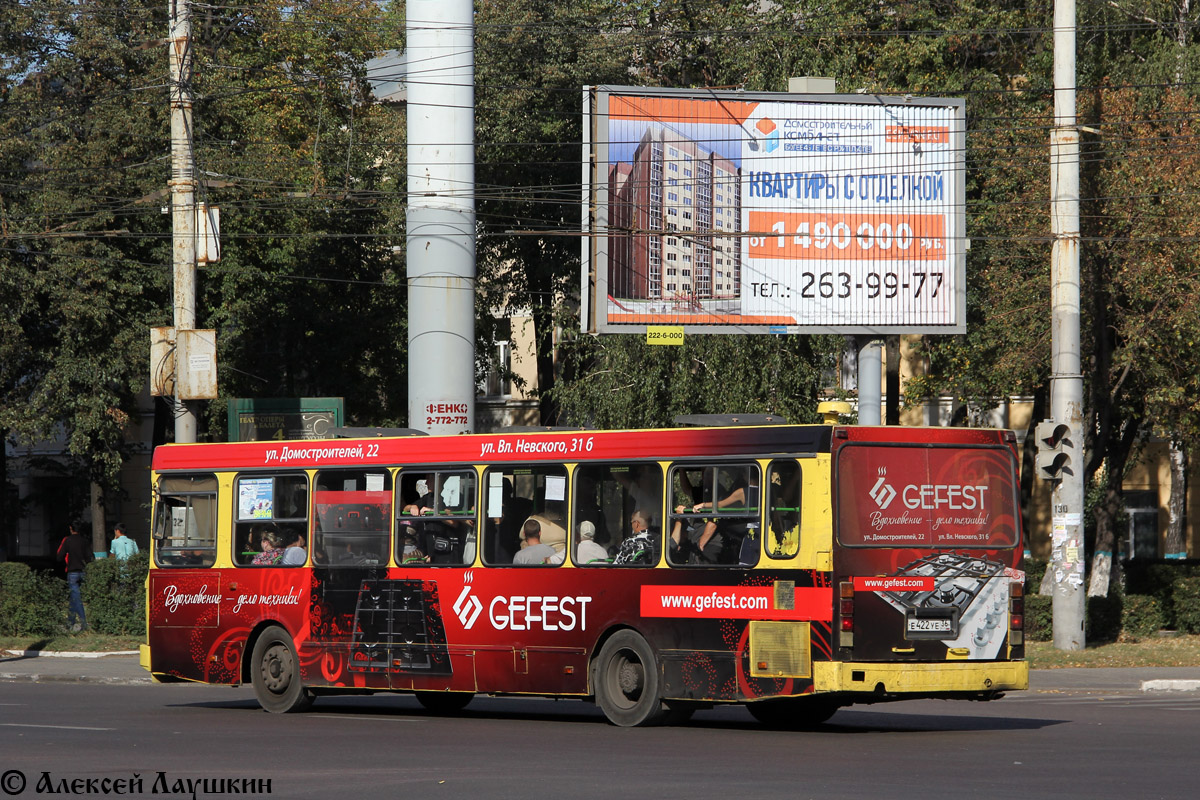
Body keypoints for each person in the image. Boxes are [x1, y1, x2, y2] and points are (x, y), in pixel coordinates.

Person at [56, 519, 92, 632]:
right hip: (83, 571)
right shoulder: (84, 541)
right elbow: (89, 557)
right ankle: (70, 622)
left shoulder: (67, 540)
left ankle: (83, 622)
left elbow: (59, 556)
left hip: (72, 572)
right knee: (73, 597)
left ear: (71, 529)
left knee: (76, 597)